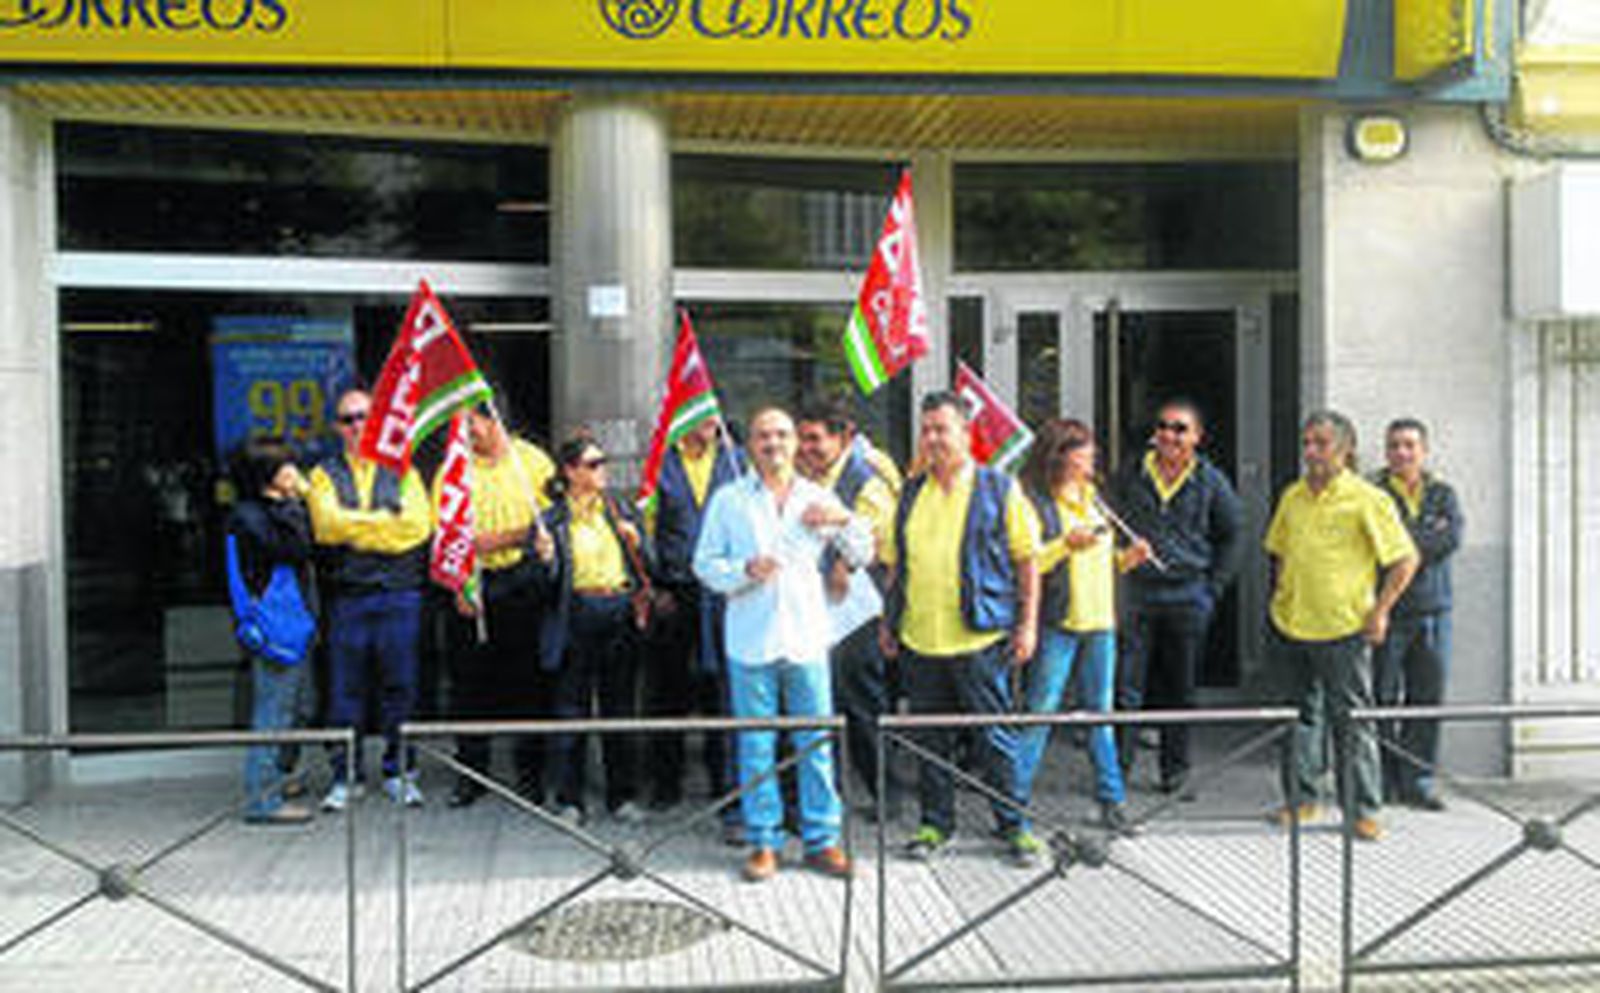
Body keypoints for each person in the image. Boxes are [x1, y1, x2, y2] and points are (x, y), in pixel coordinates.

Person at [693, 407, 870, 882]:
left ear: (795, 443)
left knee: (816, 743)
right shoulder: (728, 500)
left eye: (782, 435)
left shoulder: (817, 496)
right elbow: (704, 565)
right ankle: (763, 842)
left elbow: (863, 552)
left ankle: (821, 840)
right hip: (750, 640)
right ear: (749, 444)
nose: (773, 443)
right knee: (755, 745)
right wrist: (743, 571)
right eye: (764, 435)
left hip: (807, 638)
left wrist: (843, 518)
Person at [880, 391, 1041, 866]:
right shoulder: (910, 492)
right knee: (931, 739)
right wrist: (889, 623)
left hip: (981, 639)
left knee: (994, 737)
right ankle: (935, 824)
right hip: (919, 639)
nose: (931, 438)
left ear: (966, 432)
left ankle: (1015, 825)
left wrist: (1028, 625)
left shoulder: (999, 488)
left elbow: (1028, 561)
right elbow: (896, 566)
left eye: (941, 429)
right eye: (926, 429)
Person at [1265, 410, 1418, 841]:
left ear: (1345, 449)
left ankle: (1364, 810)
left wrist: (1381, 610)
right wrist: (1280, 593)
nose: (1311, 452)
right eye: (1307, 443)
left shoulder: (1367, 499)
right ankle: (1301, 801)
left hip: (1345, 629)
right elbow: (1278, 550)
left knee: (1351, 721)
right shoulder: (1292, 497)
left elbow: (1405, 560)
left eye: (1321, 444)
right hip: (1294, 624)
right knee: (1299, 721)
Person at [1015, 419, 1148, 842]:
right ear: (1062, 455)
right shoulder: (1037, 502)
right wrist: (1063, 545)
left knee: (1100, 716)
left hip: (1101, 622)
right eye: (1084, 450)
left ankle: (1112, 801)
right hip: (1060, 622)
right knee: (1040, 713)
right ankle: (1012, 803)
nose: (1093, 457)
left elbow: (1104, 563)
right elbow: (1030, 562)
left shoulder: (1095, 499)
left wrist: (1130, 558)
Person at [308, 389, 433, 811]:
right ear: (336, 427)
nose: (357, 426)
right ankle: (345, 777)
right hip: (348, 598)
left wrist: (354, 527)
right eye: (347, 419)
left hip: (399, 595)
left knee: (402, 687)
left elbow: (417, 527)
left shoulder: (404, 471)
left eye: (364, 416)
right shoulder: (323, 474)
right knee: (345, 690)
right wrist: (385, 525)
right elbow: (324, 526)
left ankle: (401, 771)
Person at [1111, 398, 1243, 795]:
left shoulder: (1211, 480)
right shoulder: (1131, 474)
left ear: (1197, 437)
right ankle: (1118, 770)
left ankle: (1175, 770)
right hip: (1136, 594)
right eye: (1164, 426)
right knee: (1126, 687)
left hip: (1187, 596)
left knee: (1180, 689)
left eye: (1180, 428)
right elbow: (1106, 522)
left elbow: (1233, 535)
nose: (1169, 435)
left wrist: (1212, 589)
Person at [433, 406, 556, 808]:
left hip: (522, 583)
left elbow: (549, 524)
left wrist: (500, 539)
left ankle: (530, 776)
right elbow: (446, 535)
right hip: (471, 585)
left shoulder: (533, 461)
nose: (465, 432)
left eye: (470, 423)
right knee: (469, 686)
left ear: (493, 420)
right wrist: (458, 584)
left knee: (528, 684)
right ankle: (471, 775)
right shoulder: (452, 469)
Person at [537, 434, 651, 825]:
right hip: (577, 613)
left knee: (619, 706)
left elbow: (648, 564)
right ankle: (571, 799)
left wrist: (638, 542)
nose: (602, 470)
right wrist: (546, 560)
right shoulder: (551, 520)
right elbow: (542, 584)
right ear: (570, 472)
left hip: (618, 611)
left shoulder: (619, 510)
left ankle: (623, 796)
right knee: (572, 709)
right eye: (593, 464)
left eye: (603, 462)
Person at [796, 400, 899, 809]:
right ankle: (830, 795)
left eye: (816, 438)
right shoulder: (809, 479)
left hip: (857, 611)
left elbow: (876, 542)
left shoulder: (865, 481)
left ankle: (884, 794)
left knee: (860, 703)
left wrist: (844, 561)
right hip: (816, 608)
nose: (807, 447)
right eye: (802, 438)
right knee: (824, 703)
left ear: (843, 438)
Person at [641, 417, 744, 821]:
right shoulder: (660, 465)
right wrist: (654, 584)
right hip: (676, 593)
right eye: (694, 418)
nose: (703, 427)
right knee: (668, 692)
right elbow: (644, 528)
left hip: (723, 595)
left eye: (709, 420)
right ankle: (666, 784)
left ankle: (727, 786)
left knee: (722, 691)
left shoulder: (737, 463)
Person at [1372, 418, 1463, 810]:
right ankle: (1383, 779)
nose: (1401, 453)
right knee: (1382, 698)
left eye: (1409, 445)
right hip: (1388, 611)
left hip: (1433, 611)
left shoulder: (1443, 493)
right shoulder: (1373, 493)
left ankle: (1418, 780)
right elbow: (1374, 545)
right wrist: (1417, 538)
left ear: (1423, 451)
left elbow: (1449, 539)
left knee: (1426, 698)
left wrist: (1402, 546)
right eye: (1394, 445)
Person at [229, 436, 317, 825]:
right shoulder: (252, 516)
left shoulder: (267, 510)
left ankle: (280, 780)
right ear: (269, 476)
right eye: (287, 467)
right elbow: (297, 548)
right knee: (273, 714)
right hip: (275, 630)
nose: (295, 473)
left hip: (294, 625)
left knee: (298, 708)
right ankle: (262, 800)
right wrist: (295, 503)